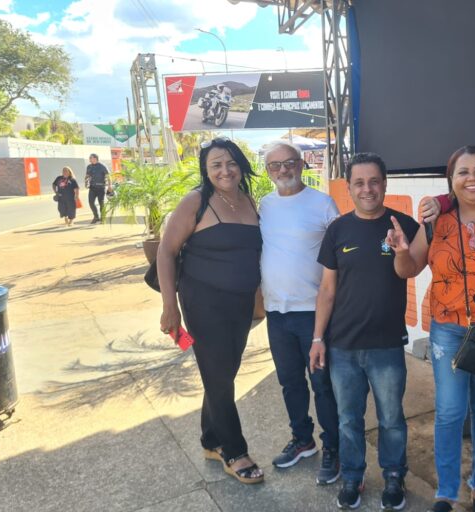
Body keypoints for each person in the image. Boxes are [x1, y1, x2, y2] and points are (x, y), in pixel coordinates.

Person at [385, 146, 475, 512]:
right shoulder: (437, 221)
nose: (471, 178)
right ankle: (446, 491)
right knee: (449, 411)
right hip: (448, 329)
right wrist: (401, 251)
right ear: (451, 180)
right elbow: (408, 268)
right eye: (462, 172)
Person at [310, 152, 420, 510]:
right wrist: (318, 339)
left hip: (387, 345)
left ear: (385, 184)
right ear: (349, 187)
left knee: (391, 419)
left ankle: (394, 475)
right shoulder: (338, 230)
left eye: (374, 181)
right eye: (359, 182)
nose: (367, 189)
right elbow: (327, 290)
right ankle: (353, 476)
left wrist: (403, 246)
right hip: (343, 346)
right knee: (348, 420)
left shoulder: (404, 226)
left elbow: (411, 270)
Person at [158, 138, 264, 485]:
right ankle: (234, 451)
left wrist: (259, 299)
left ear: (241, 166)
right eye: (216, 164)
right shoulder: (196, 201)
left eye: (231, 163)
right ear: (206, 169)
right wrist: (170, 307)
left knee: (223, 373)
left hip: (240, 303)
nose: (225, 170)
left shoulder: (248, 200)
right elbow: (165, 251)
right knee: (218, 375)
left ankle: (210, 439)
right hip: (203, 302)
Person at [259, 141, 341, 485]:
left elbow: (341, 254)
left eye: (289, 162)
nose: (283, 170)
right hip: (276, 312)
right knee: (290, 382)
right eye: (275, 165)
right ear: (268, 171)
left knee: (322, 384)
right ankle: (302, 439)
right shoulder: (264, 205)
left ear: (302, 164)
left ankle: (334, 446)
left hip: (313, 313)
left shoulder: (323, 203)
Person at [85, 153, 112, 224]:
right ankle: (96, 217)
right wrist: (86, 182)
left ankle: (103, 218)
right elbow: (87, 176)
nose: (89, 159)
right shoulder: (89, 167)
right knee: (91, 202)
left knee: (101, 203)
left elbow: (108, 176)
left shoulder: (102, 166)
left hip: (101, 188)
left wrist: (109, 186)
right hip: (92, 187)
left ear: (95, 158)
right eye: (89, 158)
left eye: (90, 158)